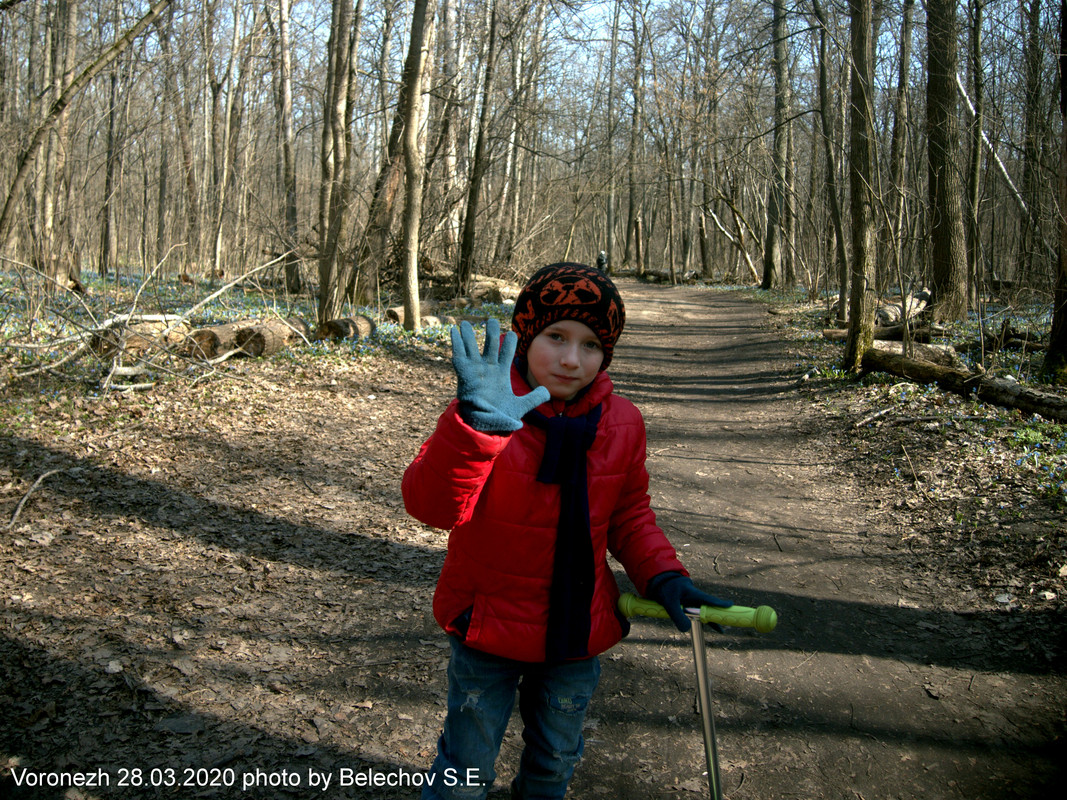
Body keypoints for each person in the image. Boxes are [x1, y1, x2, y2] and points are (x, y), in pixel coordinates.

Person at [402, 262, 729, 800]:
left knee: (554, 764)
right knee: (465, 774)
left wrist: (664, 576)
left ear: (607, 355)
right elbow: (432, 507)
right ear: (526, 337)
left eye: (591, 345)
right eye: (556, 337)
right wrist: (475, 431)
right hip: (488, 625)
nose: (572, 359)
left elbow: (629, 516)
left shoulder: (622, 423)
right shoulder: (484, 410)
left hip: (575, 633)